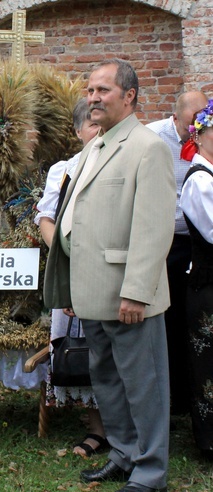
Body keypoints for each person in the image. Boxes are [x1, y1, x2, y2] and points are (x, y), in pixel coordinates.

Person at [44, 59, 176, 492]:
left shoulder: (147, 147)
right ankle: (123, 453)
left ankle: (151, 468)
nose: (93, 98)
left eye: (103, 90)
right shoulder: (95, 146)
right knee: (106, 379)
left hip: (128, 295)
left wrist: (137, 290)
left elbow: (154, 227)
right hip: (92, 292)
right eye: (90, 90)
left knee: (144, 383)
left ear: (130, 96)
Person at [35, 98, 107, 457]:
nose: (98, 131)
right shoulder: (63, 170)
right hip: (72, 267)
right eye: (92, 125)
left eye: (102, 124)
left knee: (115, 346)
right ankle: (97, 429)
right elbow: (46, 218)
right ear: (79, 131)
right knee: (83, 351)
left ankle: (127, 428)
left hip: (109, 267)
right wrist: (65, 256)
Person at [147, 91, 208, 416]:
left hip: (195, 242)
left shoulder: (204, 142)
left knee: (193, 318)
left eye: (200, 124)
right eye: (190, 123)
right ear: (177, 116)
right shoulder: (155, 137)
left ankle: (191, 397)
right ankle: (171, 399)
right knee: (168, 320)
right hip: (165, 242)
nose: (194, 130)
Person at [180, 99, 213, 461]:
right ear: (200, 137)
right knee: (209, 366)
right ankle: (209, 440)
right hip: (207, 287)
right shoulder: (200, 181)